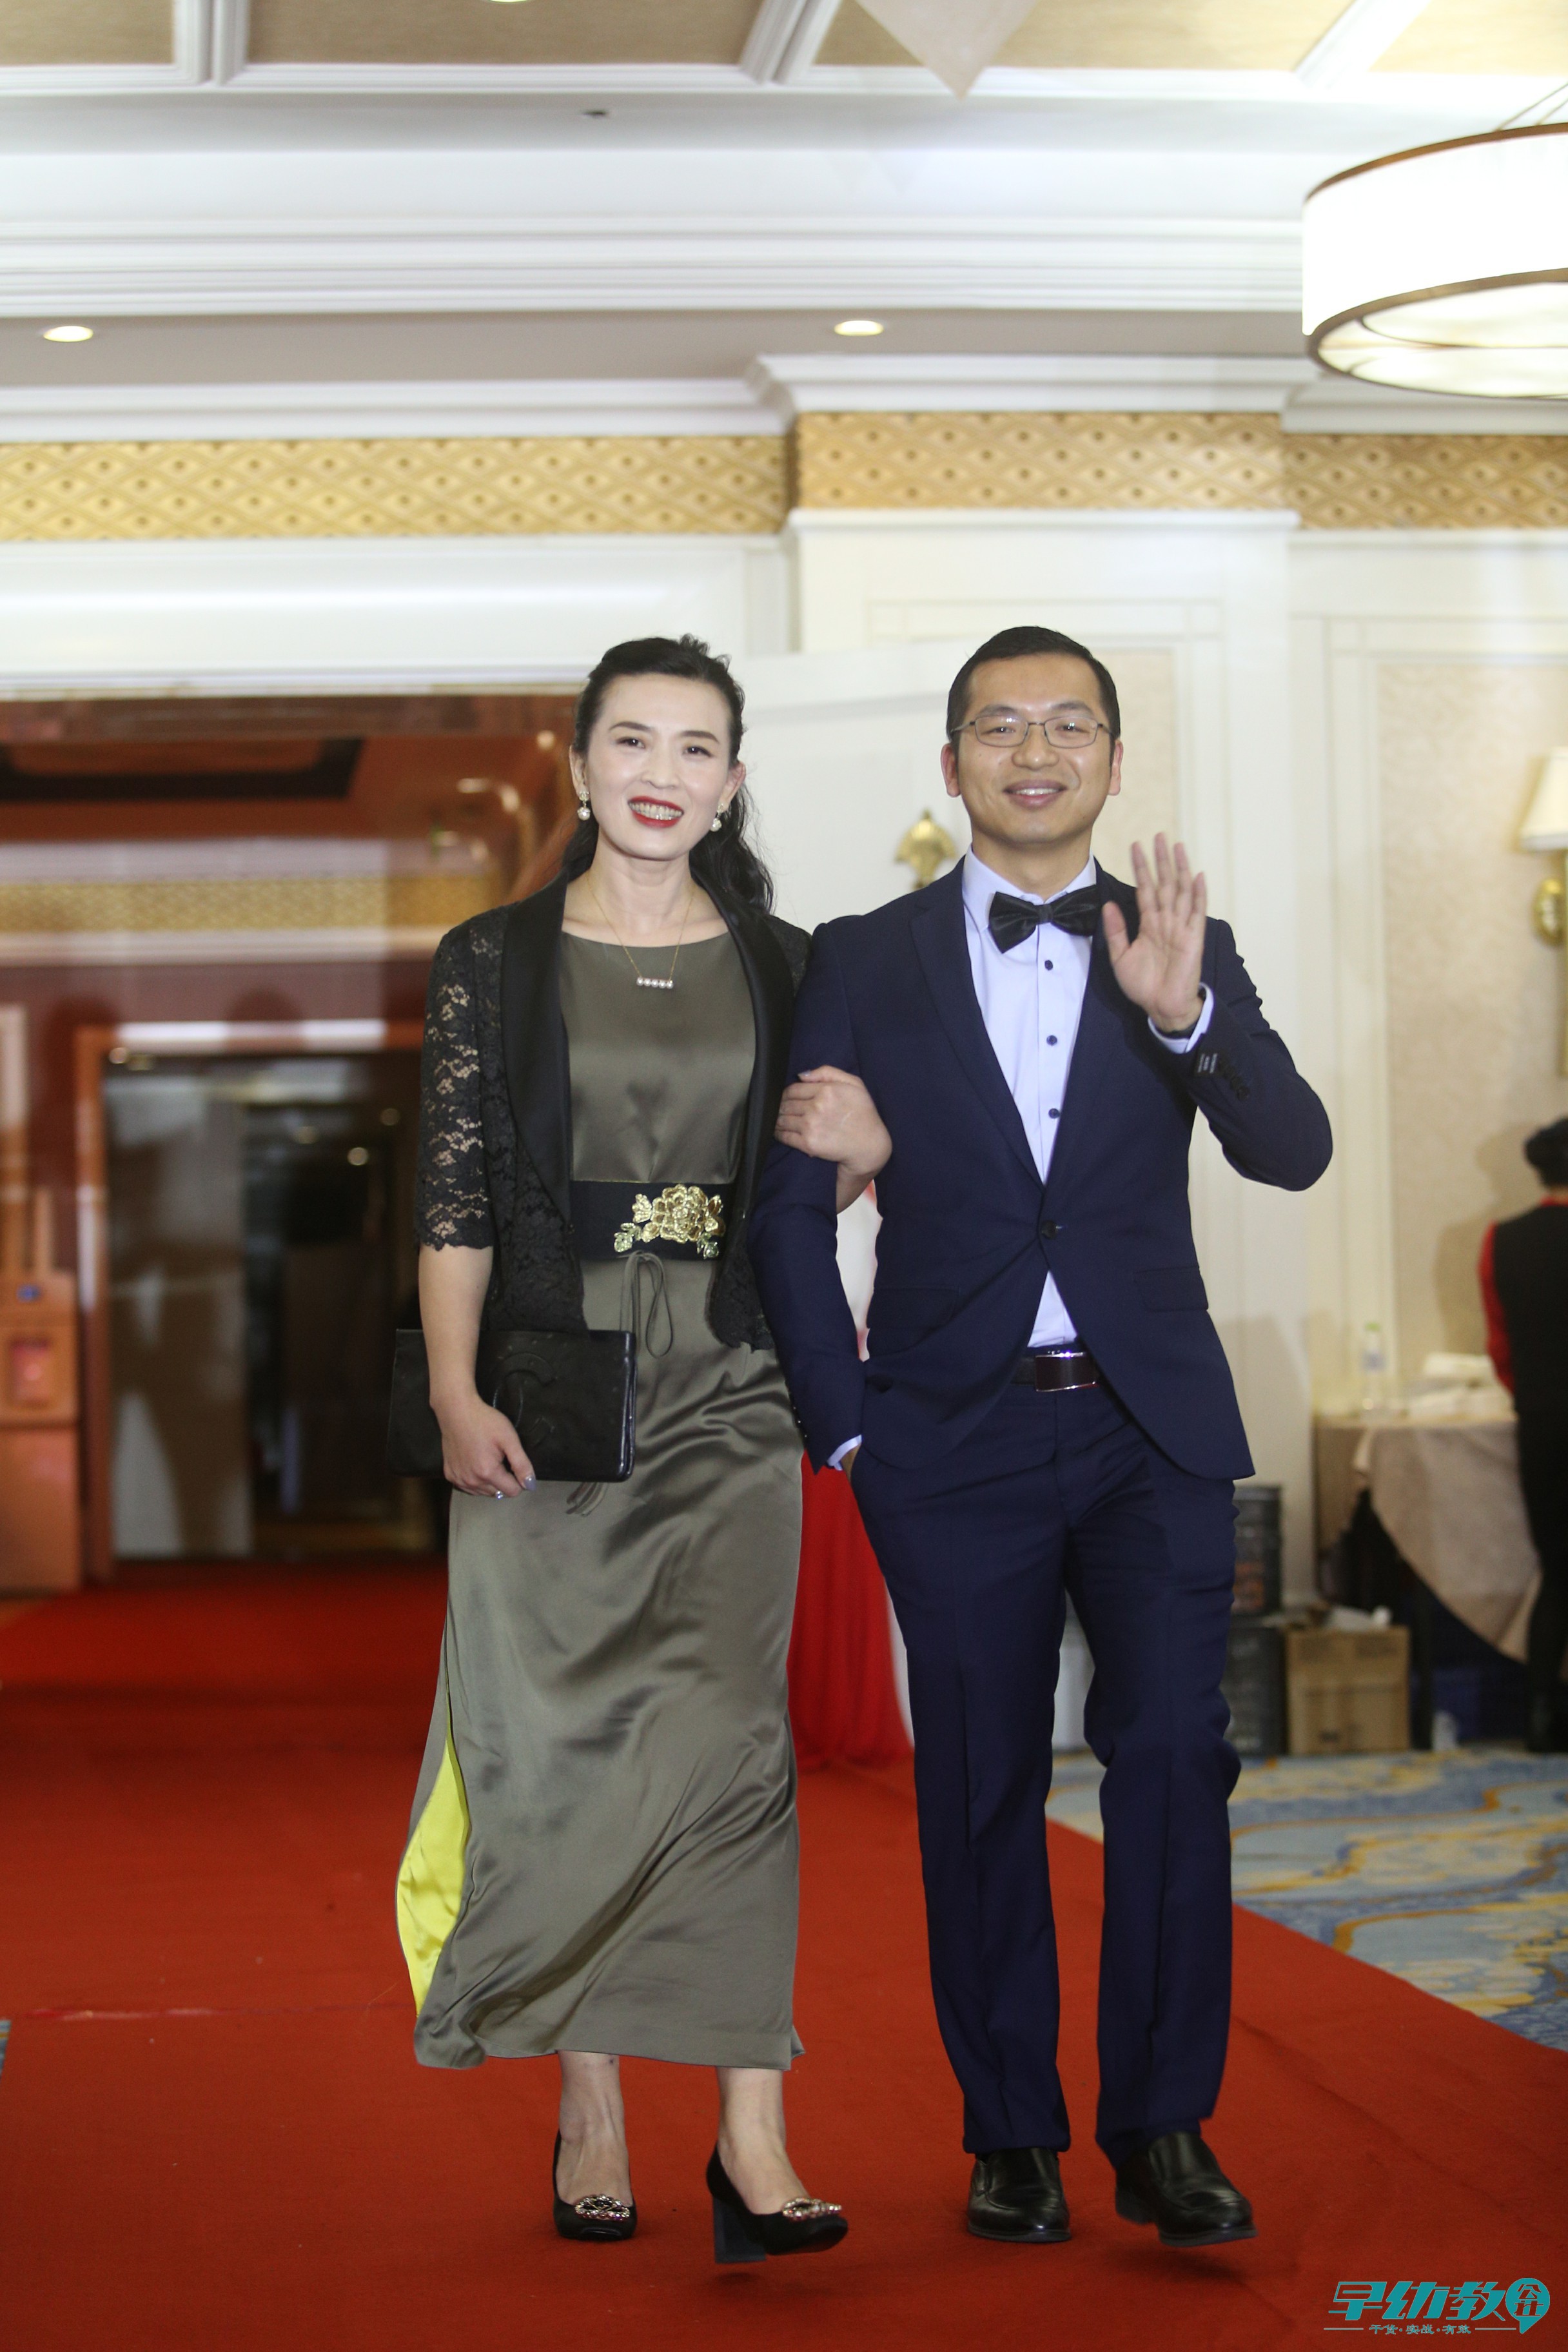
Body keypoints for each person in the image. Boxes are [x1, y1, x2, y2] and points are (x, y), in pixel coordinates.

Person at [752, 623, 1332, 2253]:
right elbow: (789, 1210)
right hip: (949, 1444)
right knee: (979, 1786)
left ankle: (1163, 2125)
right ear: (951, 764)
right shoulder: (862, 957)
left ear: (1113, 762)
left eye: (1069, 724)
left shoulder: (1180, 940)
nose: (1035, 750)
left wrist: (1187, 1014)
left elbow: (1291, 1149)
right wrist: (845, 1432)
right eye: (1000, 725)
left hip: (1152, 1433)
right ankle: (1010, 2131)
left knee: (1174, 1764)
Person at [398, 634, 881, 2264]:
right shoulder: (492, 961)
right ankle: (589, 2099)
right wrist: (454, 1391)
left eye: (695, 748)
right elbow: (456, 1196)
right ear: (582, 764)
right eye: (631, 741)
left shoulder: (789, 964)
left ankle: (753, 2132)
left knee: (737, 1743)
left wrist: (869, 1148)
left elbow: (812, 1181)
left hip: (731, 1382)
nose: (661, 773)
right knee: (555, 1747)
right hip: (549, 1386)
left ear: (732, 781)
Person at [1479, 1116, 1568, 1754]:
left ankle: (1540, 1715)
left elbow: (1499, 1346)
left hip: (1541, 1420)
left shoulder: (1501, 1241)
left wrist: (1531, 1395)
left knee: (1557, 1569)